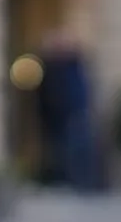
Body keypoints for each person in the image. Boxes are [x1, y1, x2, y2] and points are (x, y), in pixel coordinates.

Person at [37, 29, 99, 193]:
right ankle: (67, 180)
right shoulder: (54, 67)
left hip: (73, 116)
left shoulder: (72, 67)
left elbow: (77, 93)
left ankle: (79, 182)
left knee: (74, 151)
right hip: (58, 118)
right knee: (61, 151)